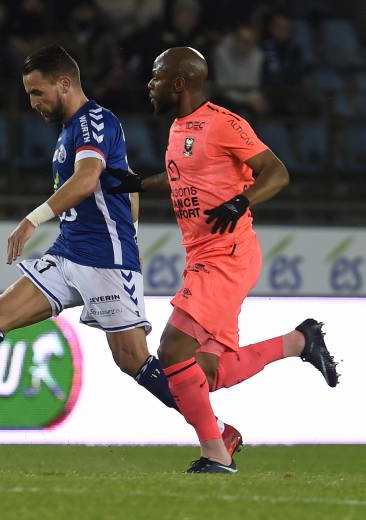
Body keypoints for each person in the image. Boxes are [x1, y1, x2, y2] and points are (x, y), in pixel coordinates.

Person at [0, 46, 242, 457]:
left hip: (106, 261)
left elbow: (89, 179)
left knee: (133, 360)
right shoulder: (70, 130)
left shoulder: (95, 120)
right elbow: (124, 180)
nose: (32, 103)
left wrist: (34, 220)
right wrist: (132, 231)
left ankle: (218, 430)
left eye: (37, 92)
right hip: (68, 252)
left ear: (63, 83)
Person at [108, 47, 339, 473]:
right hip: (204, 255)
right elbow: (184, 178)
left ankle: (216, 452)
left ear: (180, 83)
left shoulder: (223, 123)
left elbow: (277, 172)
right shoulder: (179, 128)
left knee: (172, 349)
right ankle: (299, 341)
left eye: (157, 76)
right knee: (205, 372)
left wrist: (241, 201)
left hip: (227, 254)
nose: (150, 84)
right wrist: (140, 183)